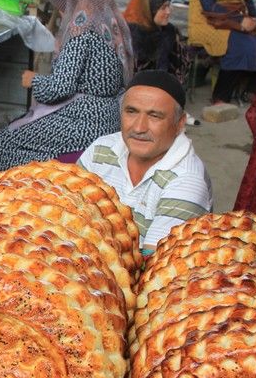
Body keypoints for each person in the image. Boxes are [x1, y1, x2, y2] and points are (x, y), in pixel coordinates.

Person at [0, 0, 134, 173]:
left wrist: (33, 80)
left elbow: (60, 87)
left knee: (6, 139)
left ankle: (5, 196)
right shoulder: (111, 27)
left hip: (86, 121)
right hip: (110, 115)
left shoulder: (82, 31)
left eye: (63, 5)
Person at [78, 70, 213, 254]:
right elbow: (67, 209)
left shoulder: (187, 180)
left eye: (154, 116)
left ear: (180, 123)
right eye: (131, 112)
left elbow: (152, 267)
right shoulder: (101, 149)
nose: (139, 127)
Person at [123, 0, 191, 87]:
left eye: (169, 6)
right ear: (149, 10)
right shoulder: (130, 36)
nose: (168, 12)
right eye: (163, 8)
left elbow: (183, 64)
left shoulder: (170, 32)